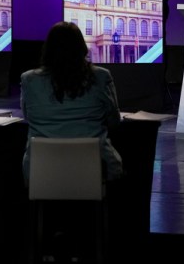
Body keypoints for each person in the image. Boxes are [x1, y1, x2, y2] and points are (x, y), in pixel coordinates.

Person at [20, 21, 123, 186]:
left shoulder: (28, 79)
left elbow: (28, 116)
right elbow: (114, 121)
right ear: (81, 47)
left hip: (40, 170)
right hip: (95, 169)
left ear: (48, 49)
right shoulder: (102, 76)